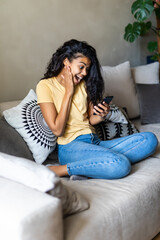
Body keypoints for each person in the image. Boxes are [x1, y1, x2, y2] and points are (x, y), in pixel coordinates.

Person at [36, 39, 158, 180]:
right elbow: (57, 130)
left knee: (149, 139)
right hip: (71, 147)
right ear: (66, 62)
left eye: (87, 69)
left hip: (94, 141)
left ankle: (93, 165)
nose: (84, 73)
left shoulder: (83, 85)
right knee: (121, 165)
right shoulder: (45, 86)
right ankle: (60, 170)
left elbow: (89, 120)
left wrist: (102, 115)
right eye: (81, 67)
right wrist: (68, 93)